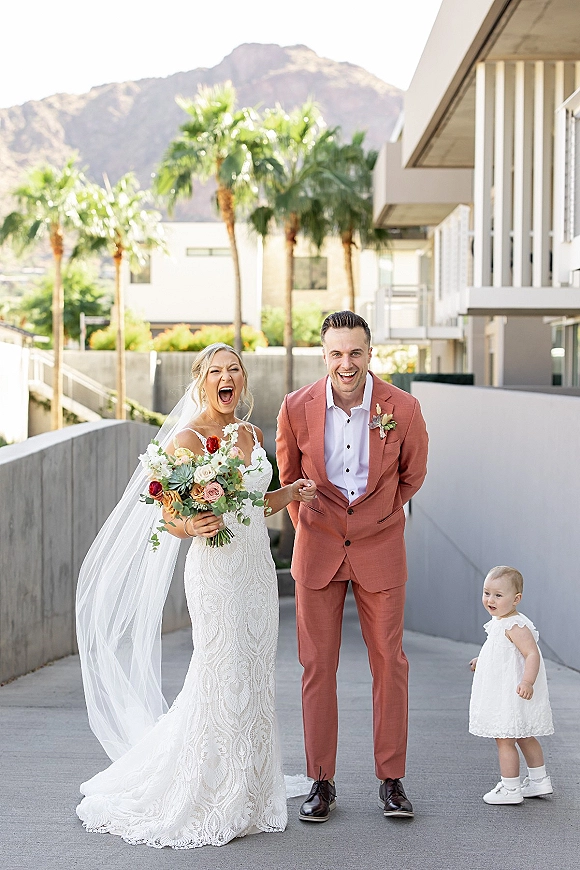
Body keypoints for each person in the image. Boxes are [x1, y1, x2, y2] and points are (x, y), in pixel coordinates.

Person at [75, 343, 316, 849]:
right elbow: (167, 515)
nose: (226, 378)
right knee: (220, 670)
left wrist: (290, 494)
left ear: (243, 380)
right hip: (215, 571)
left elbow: (254, 502)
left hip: (255, 569)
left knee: (253, 668)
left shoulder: (252, 434)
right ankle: (212, 788)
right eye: (216, 371)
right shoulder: (187, 438)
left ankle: (249, 786)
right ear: (200, 380)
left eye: (234, 370)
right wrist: (190, 522)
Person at [276, 311, 428, 822]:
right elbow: (290, 478)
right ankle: (321, 781)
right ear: (324, 355)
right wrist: (309, 526)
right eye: (337, 353)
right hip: (317, 548)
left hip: (380, 549)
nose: (347, 363)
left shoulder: (402, 409)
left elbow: (412, 477)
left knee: (390, 664)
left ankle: (392, 780)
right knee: (317, 667)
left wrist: (376, 518)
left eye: (356, 353)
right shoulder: (296, 407)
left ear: (369, 353)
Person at [469, 565, 554, 805]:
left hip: (512, 692)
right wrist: (481, 660)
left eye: (498, 595)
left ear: (516, 599)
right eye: (486, 593)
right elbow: (501, 652)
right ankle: (539, 781)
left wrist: (527, 681)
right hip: (509, 690)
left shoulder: (515, 625)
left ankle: (510, 788)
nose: (490, 600)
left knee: (505, 739)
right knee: (524, 735)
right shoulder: (500, 621)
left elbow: (531, 654)